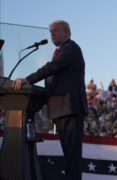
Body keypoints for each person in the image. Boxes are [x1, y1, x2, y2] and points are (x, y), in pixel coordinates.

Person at [12, 20, 88, 179]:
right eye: (50, 31)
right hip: (60, 109)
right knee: (68, 155)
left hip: (70, 108)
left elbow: (51, 68)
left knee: (72, 156)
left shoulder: (70, 48)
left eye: (55, 30)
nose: (52, 33)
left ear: (67, 33)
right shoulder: (61, 50)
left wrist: (28, 80)